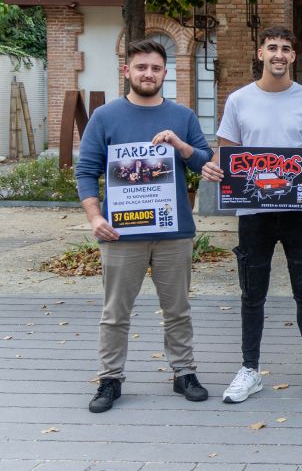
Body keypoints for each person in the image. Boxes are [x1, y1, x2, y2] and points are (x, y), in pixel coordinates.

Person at [75, 38, 213, 413]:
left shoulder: (182, 116)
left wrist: (181, 146)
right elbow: (85, 171)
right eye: (141, 67)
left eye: (155, 68)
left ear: (165, 73)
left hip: (173, 233)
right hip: (121, 233)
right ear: (127, 71)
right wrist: (95, 217)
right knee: (115, 311)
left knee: (178, 309)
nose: (148, 73)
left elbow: (205, 163)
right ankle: (109, 379)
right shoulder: (105, 116)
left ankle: (184, 373)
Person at [201, 26, 302, 404]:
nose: (279, 54)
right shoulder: (239, 100)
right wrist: (213, 167)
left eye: (286, 49)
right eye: (272, 47)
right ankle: (249, 369)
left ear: (294, 56)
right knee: (251, 293)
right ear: (260, 53)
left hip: (297, 210)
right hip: (253, 211)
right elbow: (226, 152)